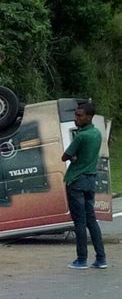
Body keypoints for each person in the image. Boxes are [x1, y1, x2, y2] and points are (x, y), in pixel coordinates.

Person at [61, 102, 107, 269]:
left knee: (79, 222)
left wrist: (74, 159)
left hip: (76, 180)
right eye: (76, 115)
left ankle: (81, 259)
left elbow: (65, 156)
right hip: (90, 180)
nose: (76, 118)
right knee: (91, 220)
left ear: (89, 117)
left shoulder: (81, 136)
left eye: (79, 115)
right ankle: (101, 258)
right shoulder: (96, 134)